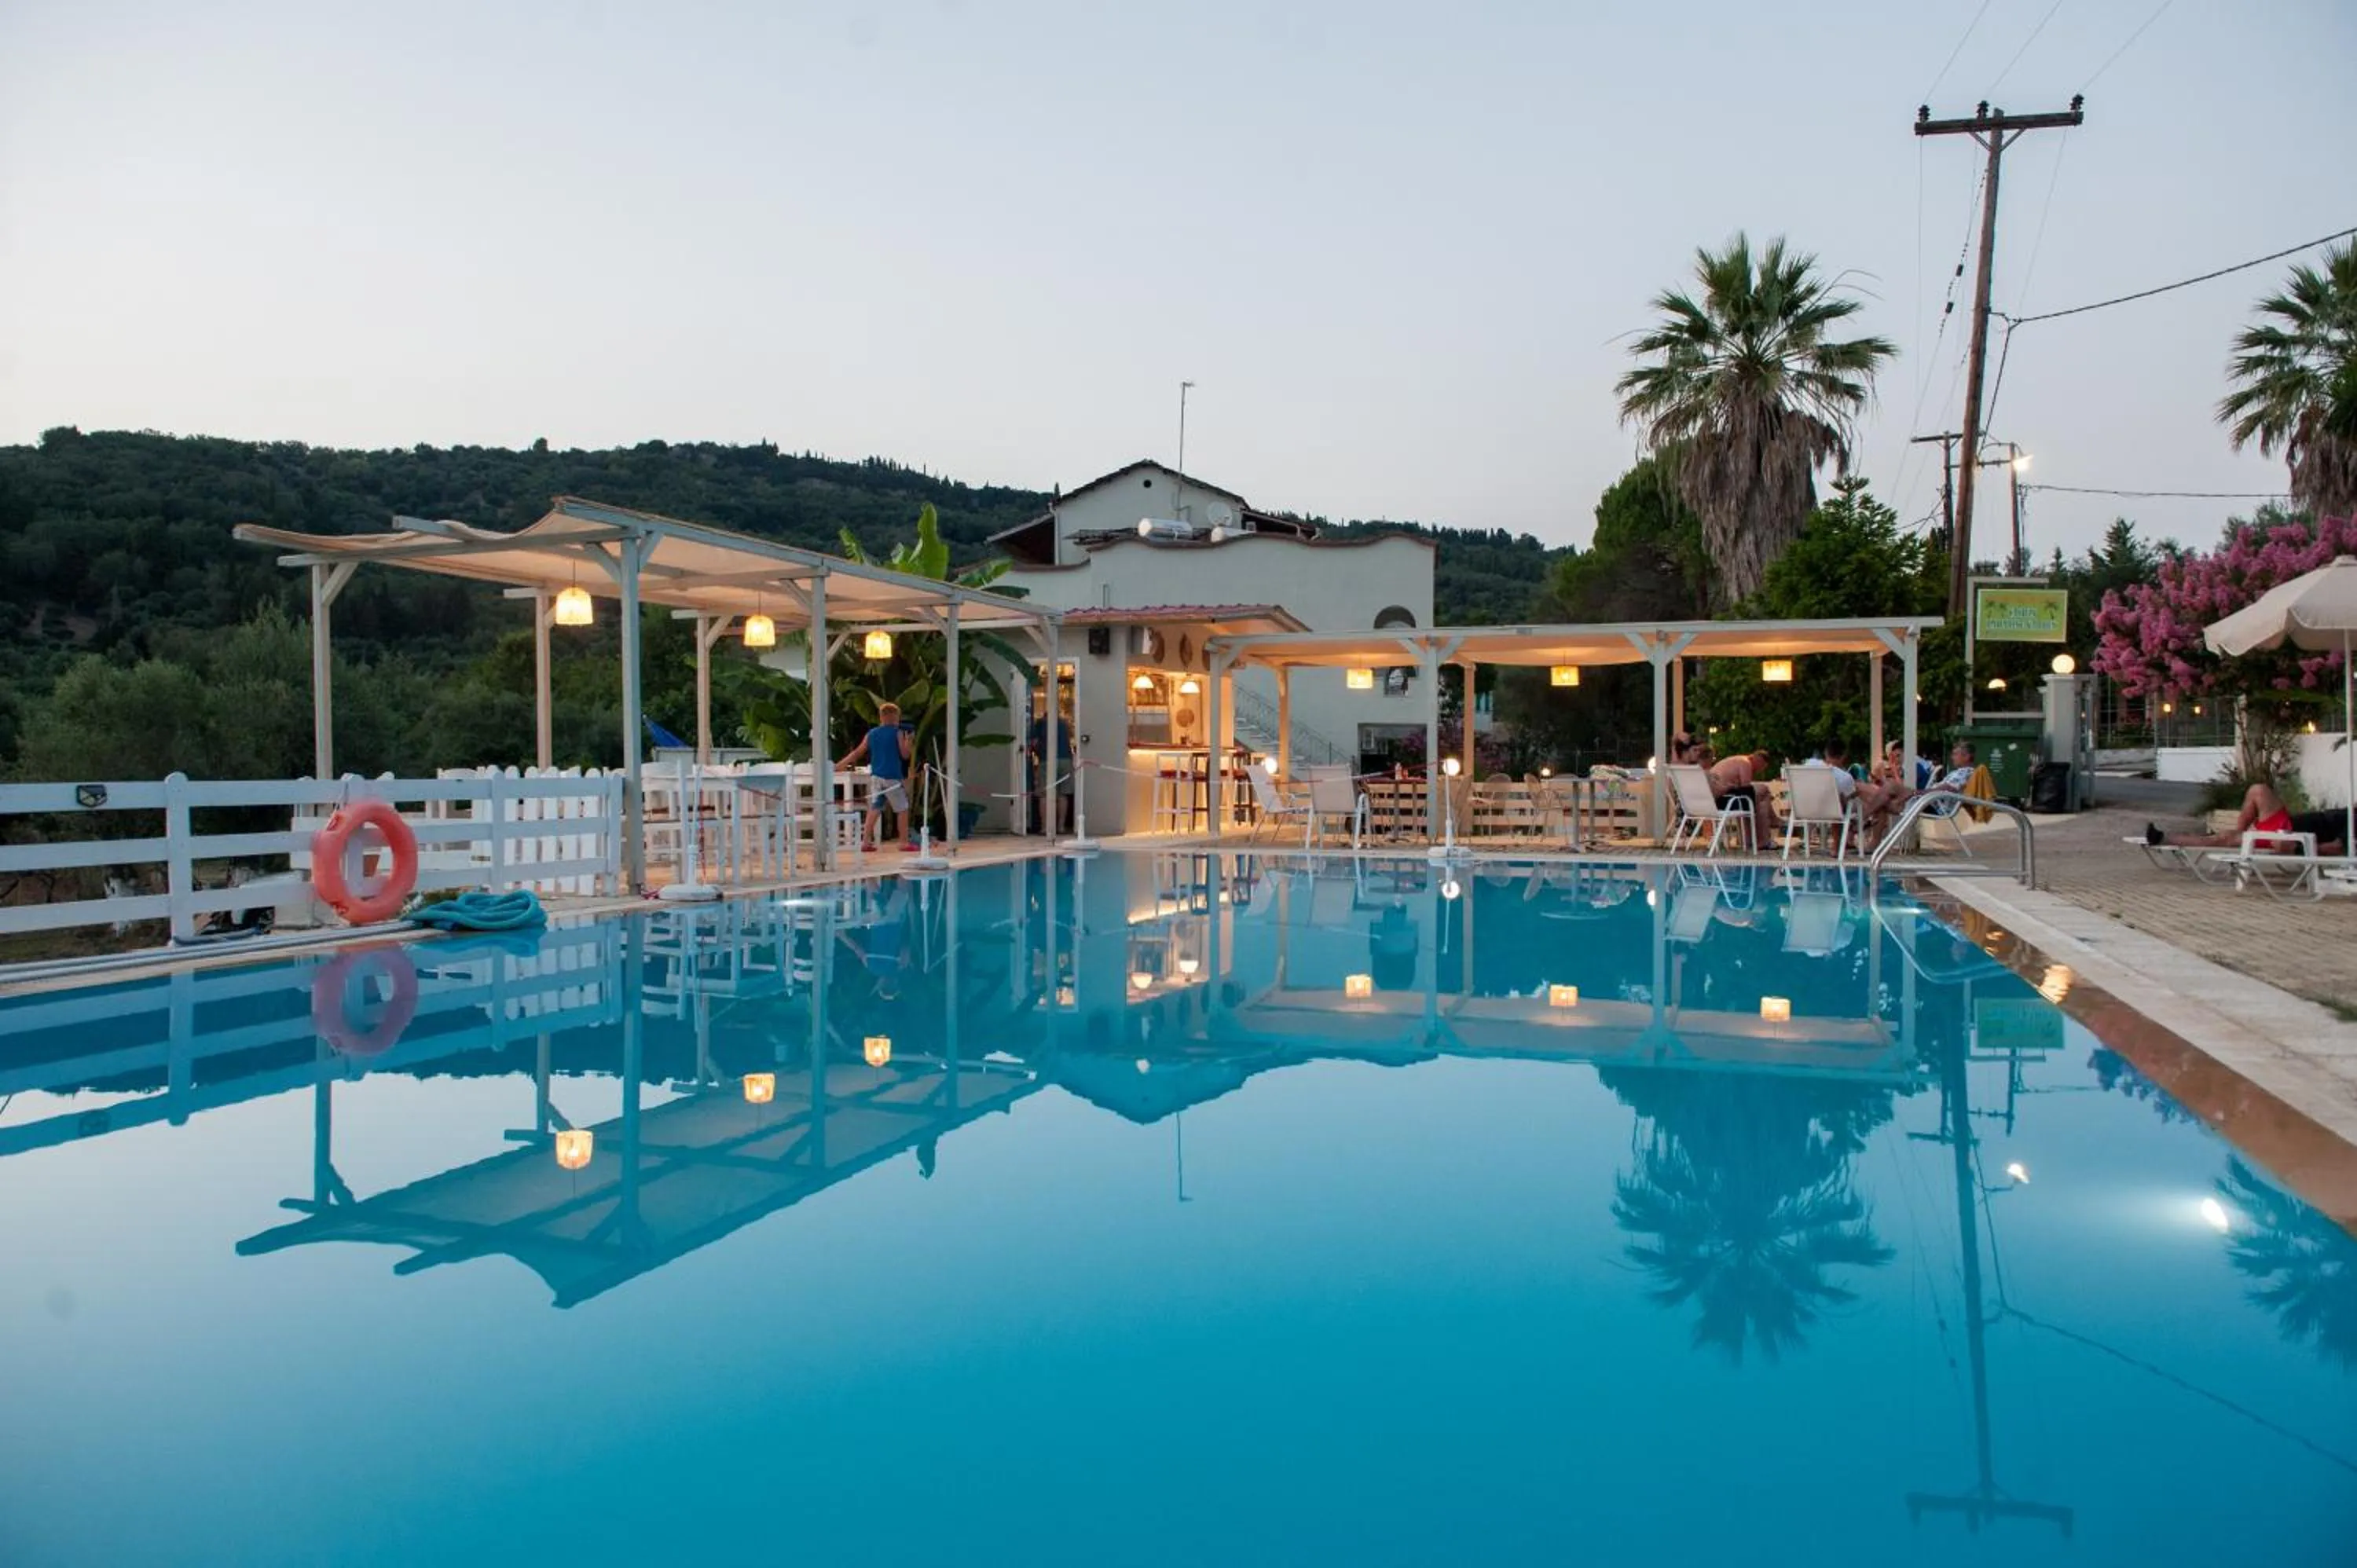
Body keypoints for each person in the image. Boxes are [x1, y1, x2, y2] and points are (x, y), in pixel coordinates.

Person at [2146, 783, 2348, 855]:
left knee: (2220, 840)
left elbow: (2337, 847)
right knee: (2258, 790)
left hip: (2286, 837)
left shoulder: (2352, 826)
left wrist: (2295, 847)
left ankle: (2163, 838)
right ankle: (2240, 831)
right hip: (2284, 823)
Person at [840, 701, 915, 850]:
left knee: (875, 807)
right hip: (892, 777)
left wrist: (840, 765)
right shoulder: (898, 733)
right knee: (902, 808)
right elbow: (905, 755)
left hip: (876, 776)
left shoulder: (872, 734)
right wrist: (909, 743)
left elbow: (857, 752)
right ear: (895, 717)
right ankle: (903, 842)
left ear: (881, 717)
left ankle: (865, 841)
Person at [1706, 749, 1782, 836]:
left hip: (1714, 799)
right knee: (1764, 791)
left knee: (1762, 801)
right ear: (1759, 761)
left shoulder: (1737, 760)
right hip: (1724, 798)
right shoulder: (1746, 763)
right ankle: (1772, 823)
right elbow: (1746, 787)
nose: (1760, 770)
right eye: (1762, 767)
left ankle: (1750, 837)